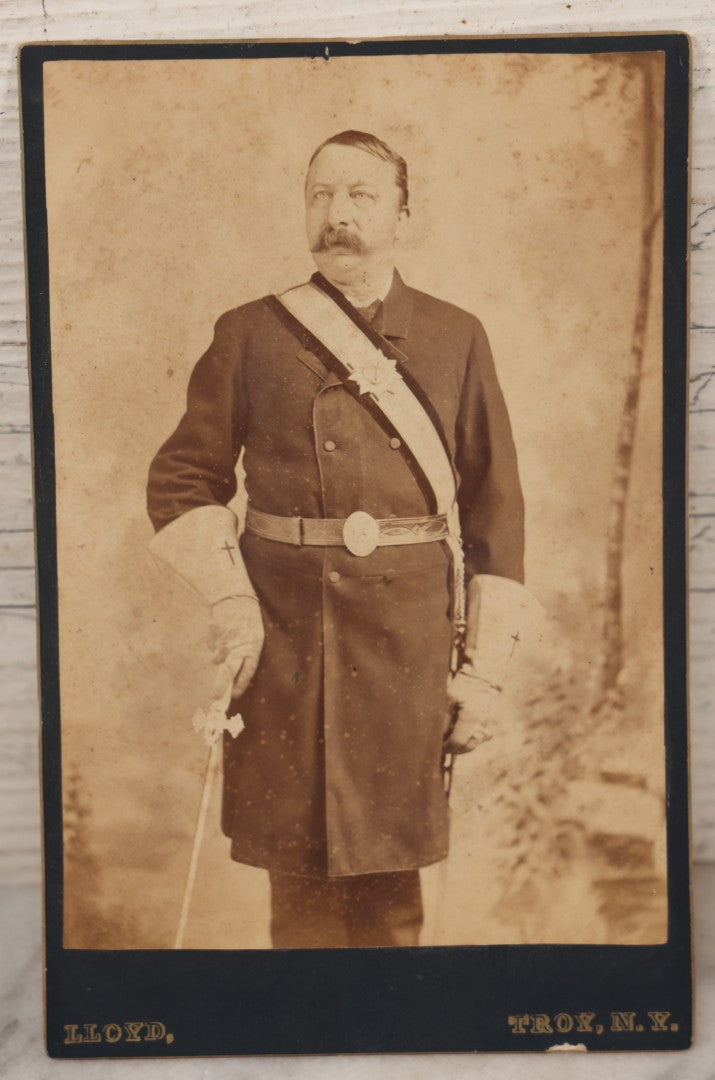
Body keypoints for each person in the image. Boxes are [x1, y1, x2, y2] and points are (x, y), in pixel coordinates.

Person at [146, 130, 525, 949]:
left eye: (360, 196)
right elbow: (181, 479)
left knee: (391, 893)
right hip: (288, 643)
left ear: (402, 216)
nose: (336, 215)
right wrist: (227, 601)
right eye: (320, 195)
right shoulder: (248, 332)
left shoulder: (457, 336)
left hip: (406, 649)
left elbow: (497, 510)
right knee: (302, 892)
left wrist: (484, 675)